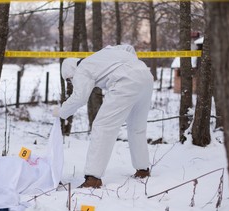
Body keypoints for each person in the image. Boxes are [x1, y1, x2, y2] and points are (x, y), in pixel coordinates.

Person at [54, 44, 154, 188]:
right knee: (137, 128)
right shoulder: (102, 54)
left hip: (125, 81)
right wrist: (132, 66)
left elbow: (80, 98)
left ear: (71, 72)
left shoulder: (81, 69)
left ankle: (93, 178)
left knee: (102, 126)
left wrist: (61, 112)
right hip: (145, 77)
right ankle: (143, 170)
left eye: (70, 80)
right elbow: (129, 47)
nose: (71, 82)